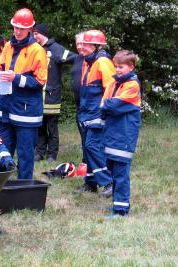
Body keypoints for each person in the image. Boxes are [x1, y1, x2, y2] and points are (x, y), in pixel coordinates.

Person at [0, 8, 48, 180]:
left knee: (25, 153)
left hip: (27, 110)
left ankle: (24, 186)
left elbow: (40, 82)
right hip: (6, 105)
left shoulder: (37, 50)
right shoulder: (8, 46)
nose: (17, 31)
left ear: (30, 30)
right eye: (15, 27)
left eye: (21, 28)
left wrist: (16, 78)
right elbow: (2, 67)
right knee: (2, 148)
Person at [100, 50, 141, 218]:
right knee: (112, 169)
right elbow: (104, 104)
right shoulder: (113, 83)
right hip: (112, 132)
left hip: (124, 134)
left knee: (121, 172)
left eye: (121, 67)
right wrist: (107, 105)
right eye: (116, 66)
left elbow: (112, 105)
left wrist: (107, 104)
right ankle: (117, 203)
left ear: (131, 67)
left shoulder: (133, 85)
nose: (117, 69)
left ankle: (121, 210)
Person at [75, 29, 114, 196]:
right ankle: (90, 183)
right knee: (87, 148)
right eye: (81, 43)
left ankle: (109, 182)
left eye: (85, 44)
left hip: (97, 113)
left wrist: (104, 112)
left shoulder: (103, 62)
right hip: (86, 112)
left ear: (96, 46)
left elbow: (110, 89)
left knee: (92, 146)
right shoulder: (87, 61)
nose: (81, 47)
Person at [32, 23, 77, 163]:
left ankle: (52, 155)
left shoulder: (56, 49)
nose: (33, 37)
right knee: (39, 127)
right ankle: (39, 153)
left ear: (43, 33)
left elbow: (75, 58)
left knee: (51, 128)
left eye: (35, 34)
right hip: (37, 96)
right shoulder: (35, 49)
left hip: (52, 96)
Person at [71, 32, 86, 164]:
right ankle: (86, 160)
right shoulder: (77, 59)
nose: (80, 46)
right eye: (78, 44)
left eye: (83, 43)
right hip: (79, 104)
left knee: (91, 137)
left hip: (91, 105)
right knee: (83, 134)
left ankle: (93, 162)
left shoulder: (95, 60)